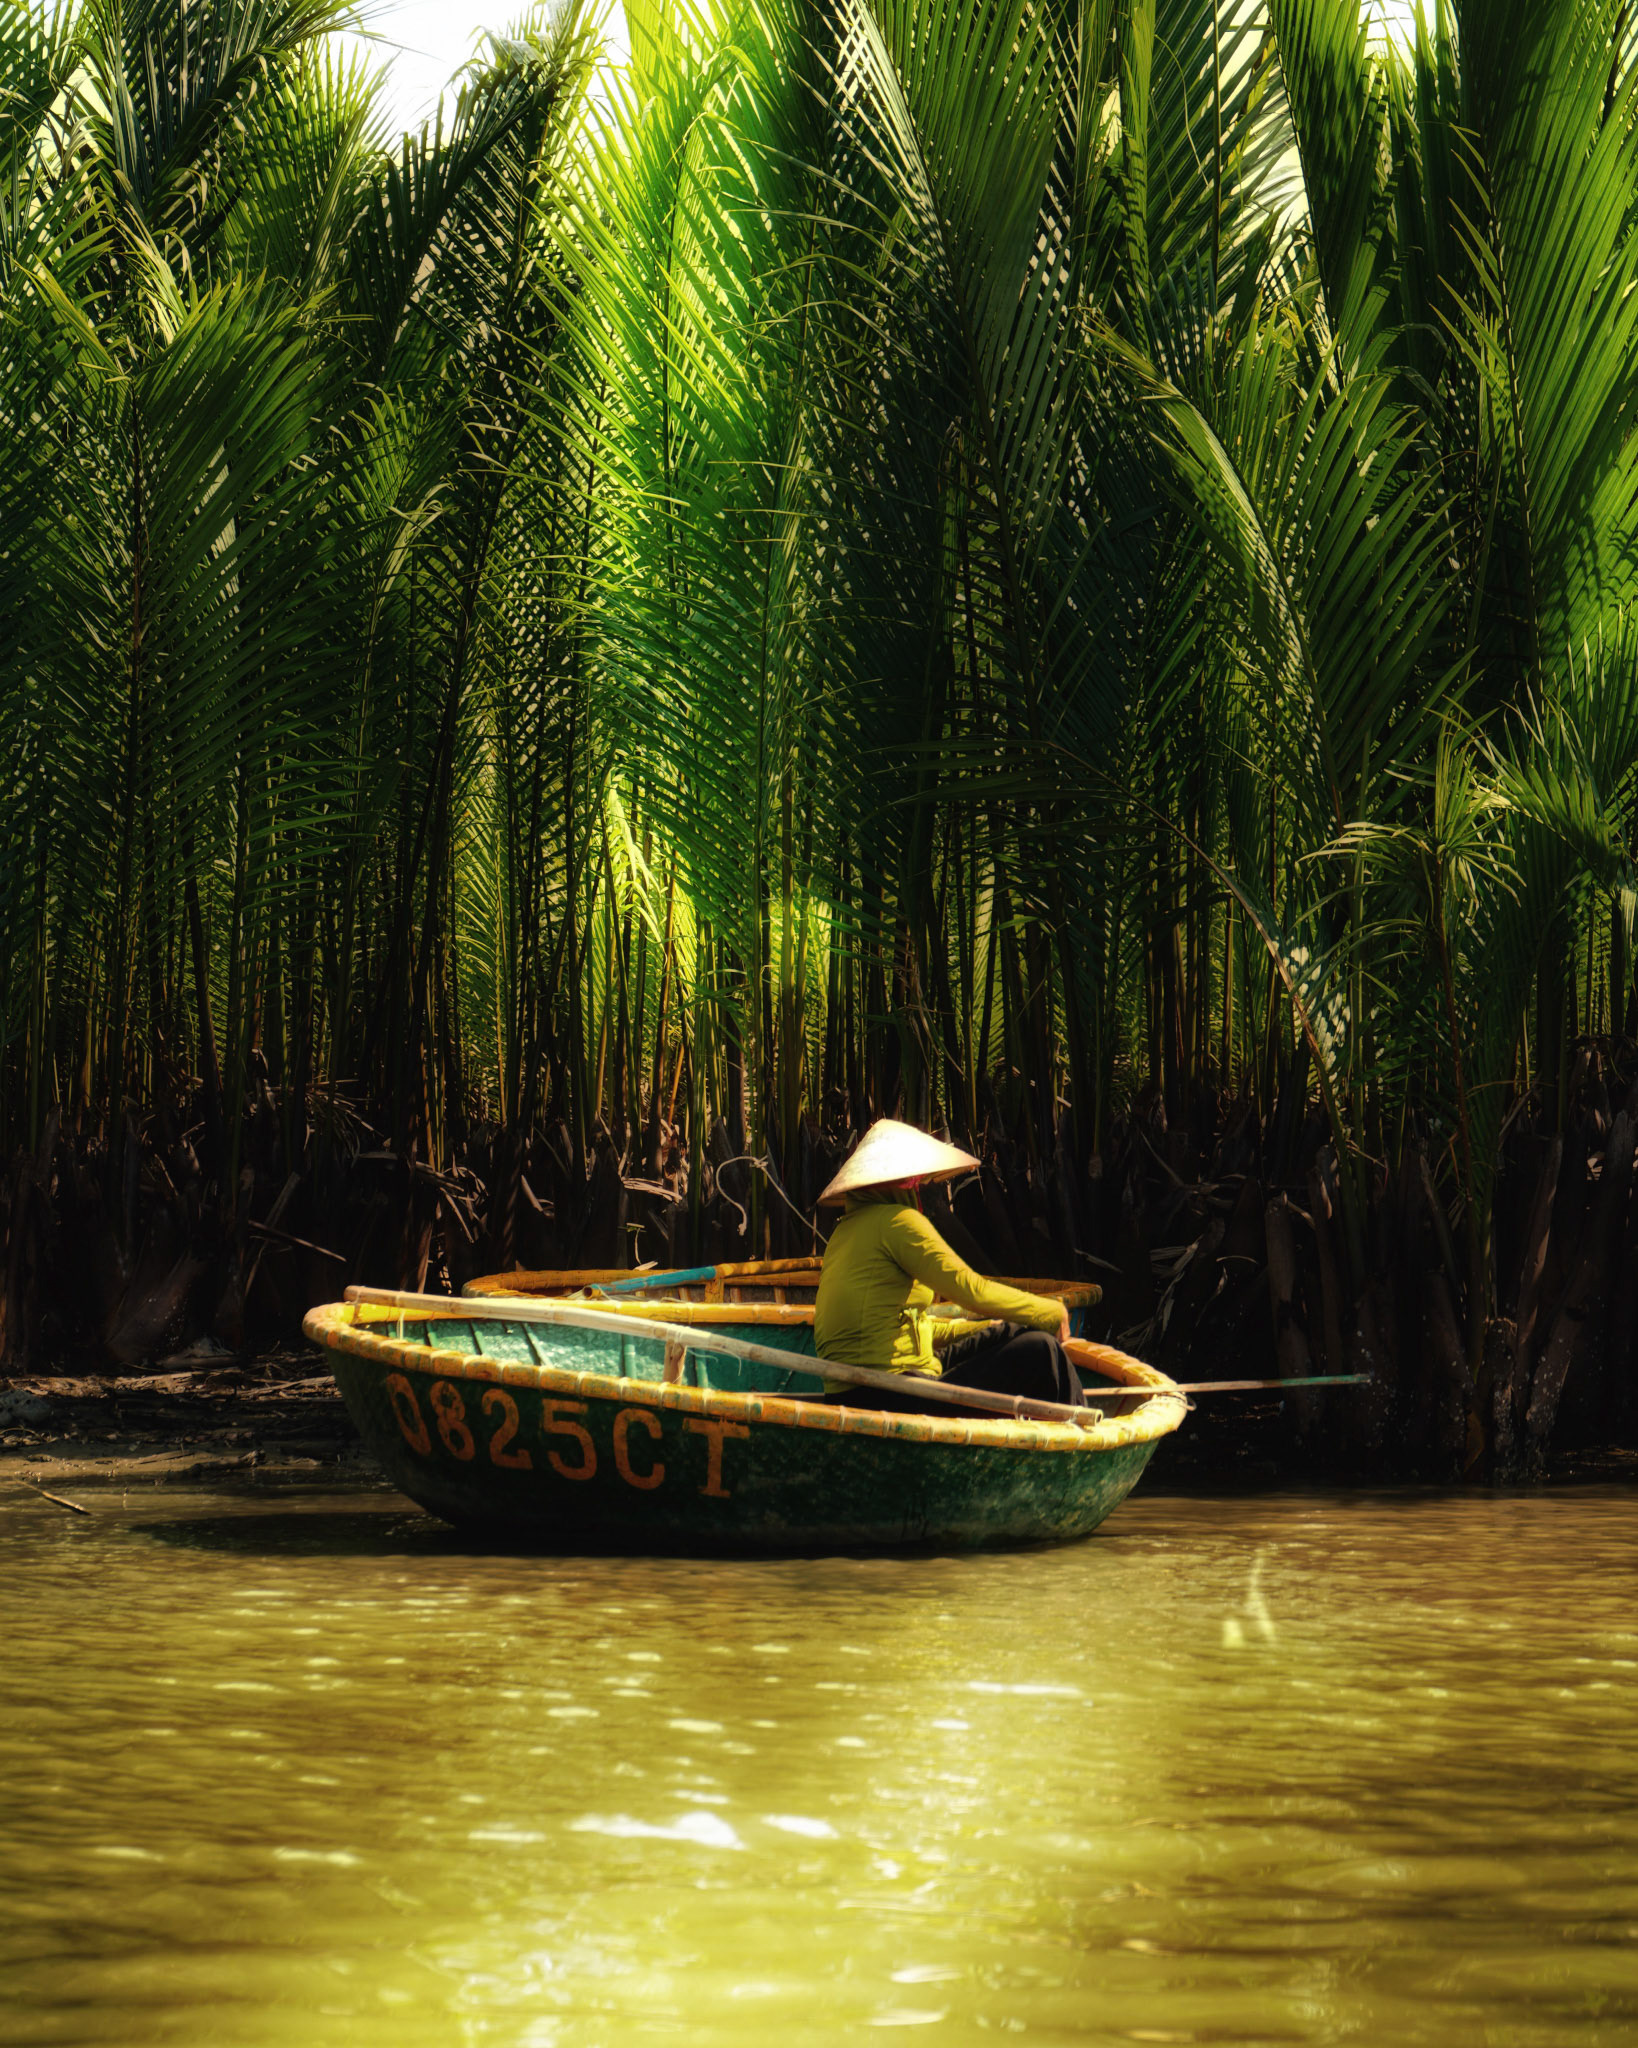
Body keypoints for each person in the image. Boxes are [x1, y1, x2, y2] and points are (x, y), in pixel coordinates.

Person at [813, 1119, 1083, 1411]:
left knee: (1008, 1332)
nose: (917, 1188)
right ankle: (1083, 1440)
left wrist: (976, 1330)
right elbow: (971, 1289)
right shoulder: (898, 1223)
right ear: (894, 1183)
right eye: (911, 1181)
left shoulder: (843, 1231)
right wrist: (1050, 1310)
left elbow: (905, 1327)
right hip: (884, 1389)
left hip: (860, 1387)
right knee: (1042, 1351)